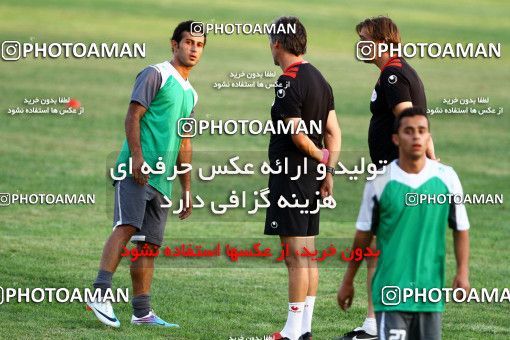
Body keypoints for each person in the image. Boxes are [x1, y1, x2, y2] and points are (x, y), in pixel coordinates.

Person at [86, 20, 206, 328]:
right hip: (136, 170)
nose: (193, 49)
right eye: (188, 42)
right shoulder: (156, 74)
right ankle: (100, 294)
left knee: (149, 245)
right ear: (174, 44)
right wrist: (137, 158)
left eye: (199, 44)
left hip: (163, 180)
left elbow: (185, 141)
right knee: (126, 227)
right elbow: (133, 115)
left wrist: (187, 187)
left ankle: (142, 312)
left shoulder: (191, 94)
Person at [339, 16, 435, 340]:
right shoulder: (398, 71)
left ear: (384, 41)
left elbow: (410, 120)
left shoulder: (393, 75)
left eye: (366, 38)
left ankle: (379, 325)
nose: (361, 44)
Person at [337, 107, 470, 340]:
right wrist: (348, 281)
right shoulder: (379, 181)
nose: (416, 136)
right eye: (409, 131)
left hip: (430, 294)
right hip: (391, 291)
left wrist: (462, 272)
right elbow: (363, 237)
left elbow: (460, 227)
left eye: (422, 131)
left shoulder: (447, 178)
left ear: (429, 137)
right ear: (396, 139)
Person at [265, 16, 341, 340]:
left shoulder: (289, 80)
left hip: (291, 177)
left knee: (295, 256)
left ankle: (293, 332)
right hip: (310, 179)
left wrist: (321, 158)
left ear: (277, 43)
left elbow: (297, 136)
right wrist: (328, 171)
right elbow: (334, 132)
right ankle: (304, 329)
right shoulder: (320, 79)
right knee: (307, 254)